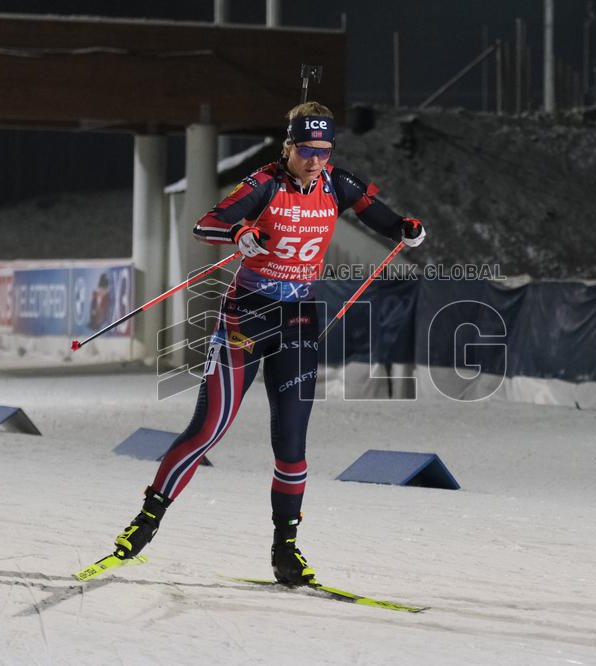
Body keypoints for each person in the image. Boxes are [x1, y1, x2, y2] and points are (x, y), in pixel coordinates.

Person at [106, 101, 426, 586]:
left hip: (297, 322)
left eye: (323, 150)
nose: (314, 160)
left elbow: (379, 215)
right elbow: (206, 223)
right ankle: (146, 521)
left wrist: (406, 228)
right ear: (289, 145)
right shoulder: (265, 183)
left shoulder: (338, 183)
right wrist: (241, 231)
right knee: (207, 429)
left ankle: (286, 551)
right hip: (246, 317)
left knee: (292, 448)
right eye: (305, 150)